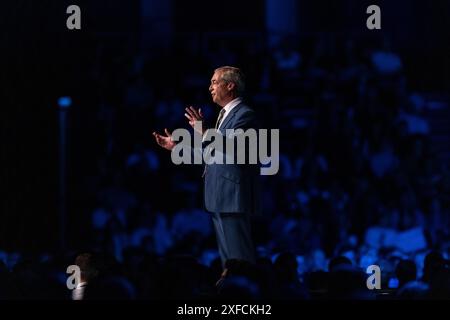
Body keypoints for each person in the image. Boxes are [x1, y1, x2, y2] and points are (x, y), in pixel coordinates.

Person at [153, 66, 261, 268]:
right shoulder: (224, 115)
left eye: (214, 82)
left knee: (240, 258)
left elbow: (233, 149)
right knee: (229, 259)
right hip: (219, 195)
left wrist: (203, 131)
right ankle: (232, 287)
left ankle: (246, 292)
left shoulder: (244, 114)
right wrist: (176, 148)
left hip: (232, 196)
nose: (210, 87)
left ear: (230, 85)